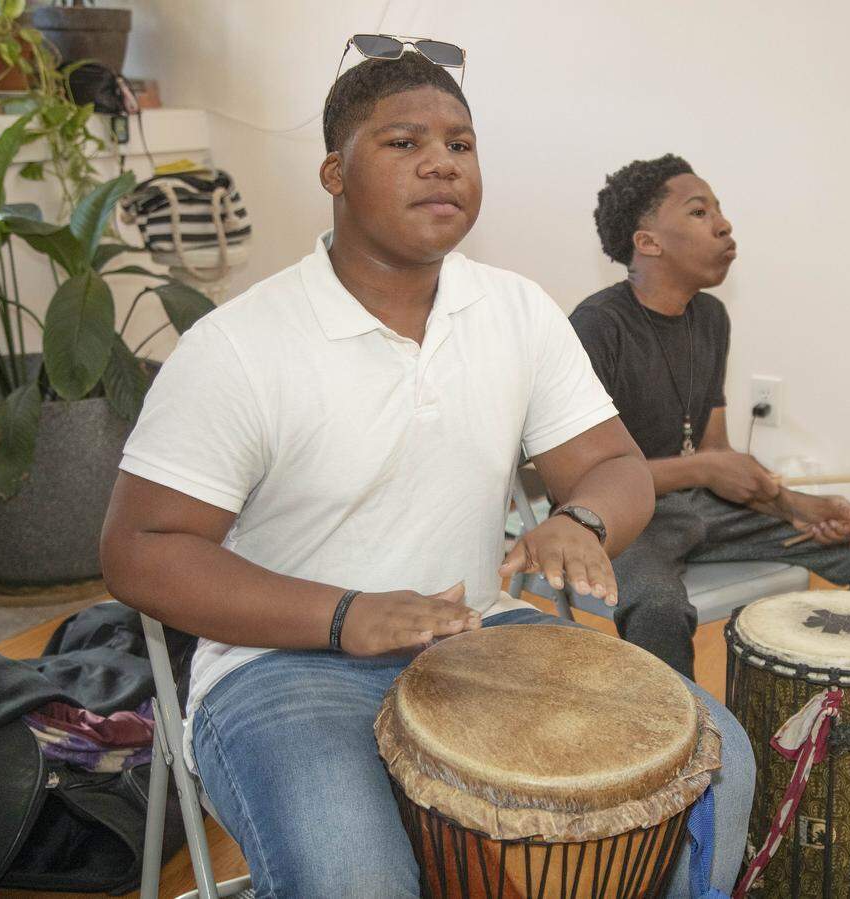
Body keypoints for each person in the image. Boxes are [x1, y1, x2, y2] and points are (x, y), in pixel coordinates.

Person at [101, 57, 753, 896]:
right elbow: (139, 548)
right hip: (281, 663)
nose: (442, 161)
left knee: (718, 766)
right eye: (403, 141)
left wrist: (581, 520)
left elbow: (613, 465)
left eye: (461, 143)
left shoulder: (515, 311)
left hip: (479, 633)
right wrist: (343, 615)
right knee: (355, 873)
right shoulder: (241, 345)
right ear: (335, 171)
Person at [570, 153, 850, 680]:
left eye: (719, 209)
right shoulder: (598, 326)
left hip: (702, 510)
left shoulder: (710, 317)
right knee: (659, 606)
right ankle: (683, 749)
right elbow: (580, 476)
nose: (723, 223)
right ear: (648, 242)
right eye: (698, 211)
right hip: (624, 520)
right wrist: (704, 471)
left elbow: (715, 449)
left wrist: (795, 507)